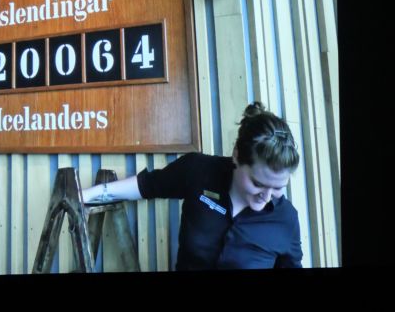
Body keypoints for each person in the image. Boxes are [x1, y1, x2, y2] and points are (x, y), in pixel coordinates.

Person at [80, 102, 302, 269]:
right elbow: (147, 185)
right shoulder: (199, 170)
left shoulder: (287, 220)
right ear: (237, 155)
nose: (266, 196)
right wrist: (87, 195)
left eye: (278, 188)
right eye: (257, 184)